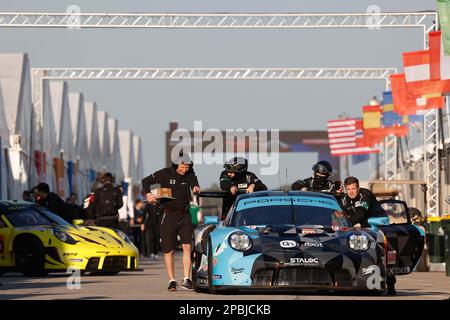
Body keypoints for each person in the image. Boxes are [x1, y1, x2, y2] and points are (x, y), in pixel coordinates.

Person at [141, 152, 200, 292]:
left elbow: (194, 184)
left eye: (187, 167)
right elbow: (145, 181)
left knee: (187, 247)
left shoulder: (190, 174)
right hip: (168, 215)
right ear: (176, 164)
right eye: (182, 167)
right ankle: (172, 280)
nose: (184, 170)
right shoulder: (165, 173)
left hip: (185, 215)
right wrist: (148, 194)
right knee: (169, 250)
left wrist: (195, 188)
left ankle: (186, 279)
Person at [340, 176, 396, 295]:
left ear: (358, 188)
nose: (351, 192)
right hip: (360, 226)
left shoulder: (366, 195)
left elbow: (360, 214)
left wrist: (346, 224)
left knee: (385, 252)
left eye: (354, 188)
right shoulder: (344, 198)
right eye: (348, 189)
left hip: (378, 223)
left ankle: (391, 284)